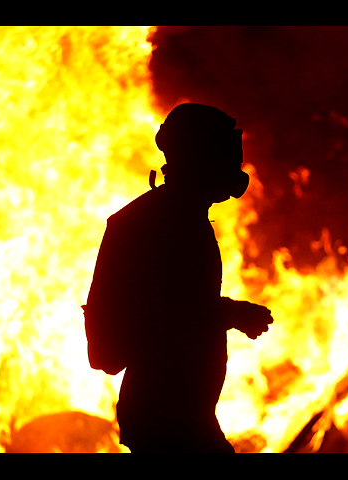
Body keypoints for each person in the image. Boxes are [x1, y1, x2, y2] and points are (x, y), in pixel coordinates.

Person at [84, 103, 273, 453]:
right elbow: (167, 314)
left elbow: (178, 306)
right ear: (200, 159)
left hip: (178, 413)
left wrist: (229, 313)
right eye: (226, 158)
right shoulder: (164, 224)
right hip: (167, 416)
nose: (235, 171)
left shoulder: (177, 217)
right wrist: (231, 313)